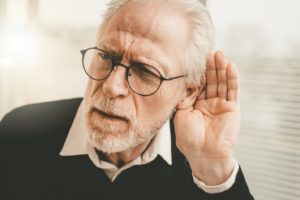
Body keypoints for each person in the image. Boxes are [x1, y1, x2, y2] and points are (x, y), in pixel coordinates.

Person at [0, 0, 254, 199]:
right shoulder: (20, 130)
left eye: (145, 71)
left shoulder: (199, 165)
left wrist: (213, 170)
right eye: (106, 57)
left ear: (187, 92)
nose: (111, 87)